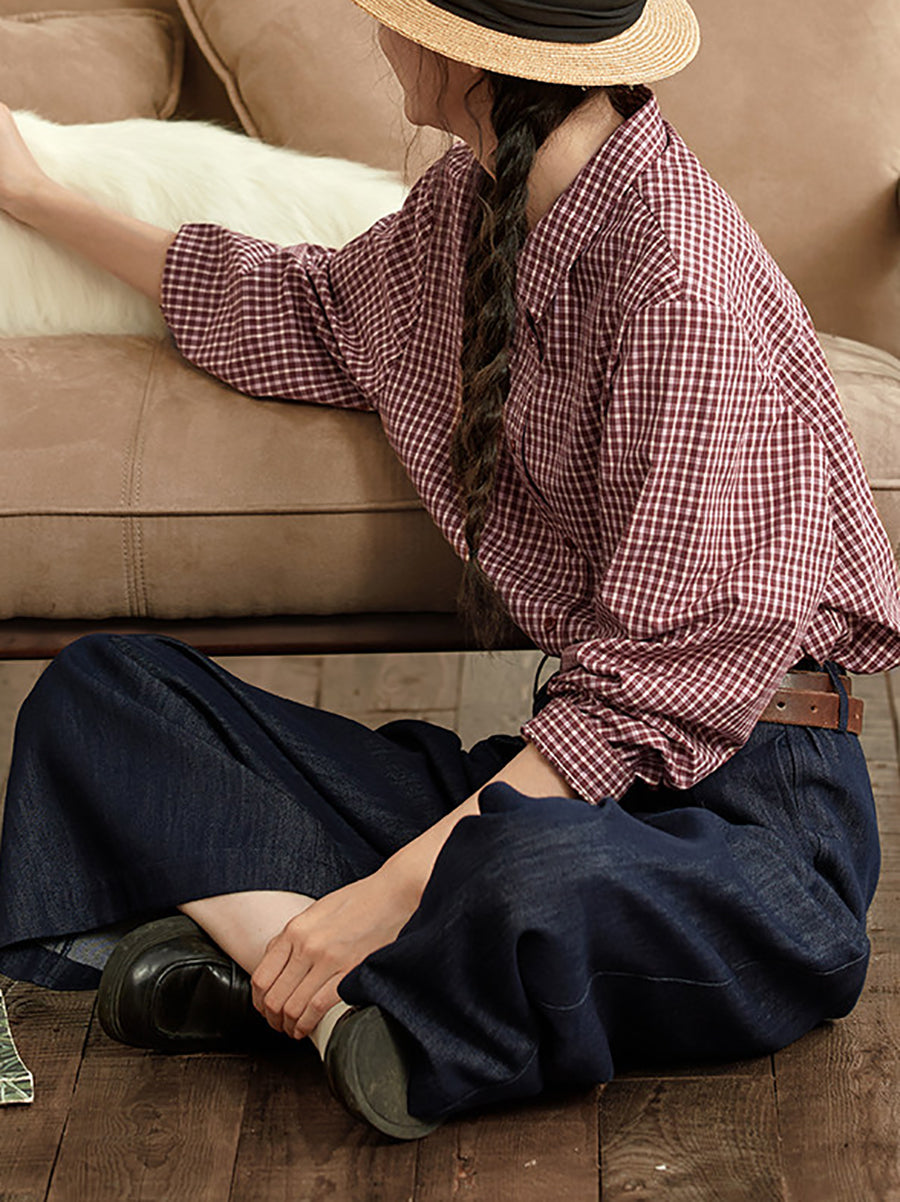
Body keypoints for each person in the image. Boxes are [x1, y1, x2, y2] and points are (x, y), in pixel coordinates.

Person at [0, 0, 898, 1142]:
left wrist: (384, 894)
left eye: (398, 19)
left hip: (751, 822)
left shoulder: (680, 280)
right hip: (563, 781)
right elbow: (295, 306)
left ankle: (307, 961)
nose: (382, 39)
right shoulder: (467, 209)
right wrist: (34, 193)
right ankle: (339, 1006)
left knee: (522, 872)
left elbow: (654, 697)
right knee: (107, 694)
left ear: (469, 57)